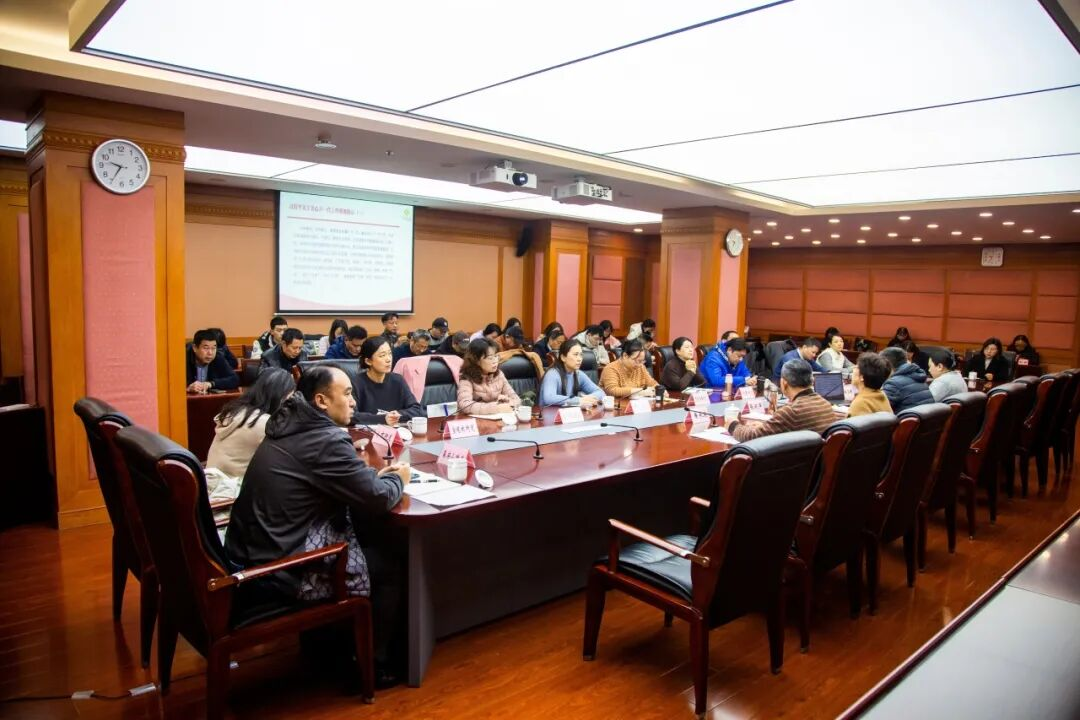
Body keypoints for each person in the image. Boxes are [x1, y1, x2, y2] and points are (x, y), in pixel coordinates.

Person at [225, 365, 409, 686]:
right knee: (388, 564)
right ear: (321, 401)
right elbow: (379, 498)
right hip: (277, 572)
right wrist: (398, 478)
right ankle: (371, 663)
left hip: (252, 550)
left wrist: (365, 478)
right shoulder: (324, 439)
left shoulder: (289, 423)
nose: (354, 401)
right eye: (347, 394)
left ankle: (327, 642)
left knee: (364, 530)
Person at [206, 368, 294, 478]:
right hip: (232, 485)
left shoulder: (237, 411)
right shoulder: (263, 423)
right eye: (289, 399)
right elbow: (290, 455)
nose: (289, 404)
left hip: (212, 480)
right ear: (279, 397)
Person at [726, 359, 836, 441]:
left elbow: (752, 437)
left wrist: (733, 424)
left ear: (784, 383)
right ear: (812, 381)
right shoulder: (825, 404)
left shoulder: (791, 411)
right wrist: (765, 426)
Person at [352, 336, 423, 426]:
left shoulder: (398, 380)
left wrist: (398, 415)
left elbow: (417, 409)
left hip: (397, 432)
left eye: (389, 354)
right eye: (382, 355)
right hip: (367, 432)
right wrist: (383, 418)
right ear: (368, 361)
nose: (388, 359)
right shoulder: (356, 383)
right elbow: (351, 416)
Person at [457, 338, 521, 414]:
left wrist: (507, 402)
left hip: (498, 418)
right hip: (476, 420)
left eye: (496, 356)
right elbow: (464, 405)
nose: (495, 361)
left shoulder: (499, 374)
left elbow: (516, 399)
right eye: (490, 358)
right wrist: (496, 408)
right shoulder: (466, 378)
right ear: (476, 360)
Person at [538, 340, 605, 409]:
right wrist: (578, 400)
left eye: (581, 355)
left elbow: (600, 392)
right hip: (549, 413)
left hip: (568, 413)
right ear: (563, 357)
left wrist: (589, 398)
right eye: (575, 354)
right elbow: (549, 398)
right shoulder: (552, 374)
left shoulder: (578, 374)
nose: (579, 359)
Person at [880, 347, 934, 412]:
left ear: (887, 365)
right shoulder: (918, 376)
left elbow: (879, 409)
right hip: (925, 417)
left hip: (905, 417)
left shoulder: (893, 383)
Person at [186, 329, 239, 393]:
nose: (210, 353)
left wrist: (211, 384)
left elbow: (235, 380)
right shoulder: (183, 359)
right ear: (195, 348)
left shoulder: (218, 357)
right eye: (206, 348)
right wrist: (187, 389)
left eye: (213, 348)